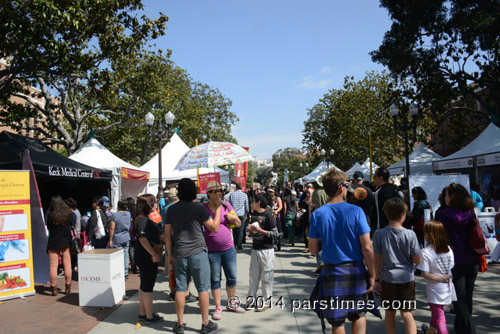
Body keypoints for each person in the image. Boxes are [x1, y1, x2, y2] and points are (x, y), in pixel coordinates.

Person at [308, 169, 379, 334]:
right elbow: (367, 247)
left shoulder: (318, 214)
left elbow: (312, 249)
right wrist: (373, 274)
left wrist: (327, 238)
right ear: (341, 187)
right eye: (347, 185)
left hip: (331, 271)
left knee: (337, 320)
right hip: (355, 270)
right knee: (359, 314)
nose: (347, 189)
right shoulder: (356, 211)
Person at [164, 178, 219, 334]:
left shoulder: (171, 210)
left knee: (180, 288)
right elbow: (214, 228)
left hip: (180, 253)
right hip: (198, 253)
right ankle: (205, 323)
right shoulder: (199, 209)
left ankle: (180, 324)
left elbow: (167, 235)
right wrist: (218, 208)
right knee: (202, 288)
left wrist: (170, 254)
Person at [435, 183, 478, 334]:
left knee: (459, 299)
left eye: (446, 195)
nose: (444, 198)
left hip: (454, 261)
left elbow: (439, 239)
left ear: (452, 196)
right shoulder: (470, 212)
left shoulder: (443, 215)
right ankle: (461, 329)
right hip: (472, 259)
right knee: (467, 297)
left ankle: (469, 330)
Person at [373, 198, 421, 334]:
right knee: (406, 313)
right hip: (407, 278)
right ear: (402, 215)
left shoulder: (379, 234)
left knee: (390, 312)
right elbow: (417, 260)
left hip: (388, 278)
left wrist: (376, 279)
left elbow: (377, 260)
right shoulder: (410, 234)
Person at [203, 181, 244, 320]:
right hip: (211, 251)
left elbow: (238, 224)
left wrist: (233, 218)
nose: (219, 193)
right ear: (208, 193)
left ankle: (231, 302)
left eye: (220, 190)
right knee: (215, 279)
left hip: (228, 249)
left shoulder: (227, 205)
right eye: (215, 191)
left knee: (232, 277)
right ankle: (218, 307)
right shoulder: (204, 208)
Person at [418, 221, 456, 334]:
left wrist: (441, 278)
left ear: (430, 235)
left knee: (440, 317)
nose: (424, 235)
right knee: (437, 313)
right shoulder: (449, 249)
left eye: (425, 233)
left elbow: (426, 274)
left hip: (435, 290)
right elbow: (452, 266)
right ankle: (430, 331)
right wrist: (445, 278)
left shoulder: (426, 252)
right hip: (447, 287)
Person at [132, 197, 163, 324]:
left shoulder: (139, 219)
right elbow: (143, 239)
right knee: (148, 287)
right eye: (153, 203)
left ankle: (143, 313)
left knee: (144, 286)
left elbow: (144, 237)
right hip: (147, 257)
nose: (154, 205)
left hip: (142, 256)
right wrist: (154, 253)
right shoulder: (143, 220)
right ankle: (149, 315)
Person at [245, 193, 278, 312]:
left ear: (258, 202)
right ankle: (251, 300)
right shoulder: (253, 215)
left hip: (267, 250)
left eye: (253, 202)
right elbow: (251, 232)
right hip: (255, 249)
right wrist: (249, 230)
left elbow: (275, 234)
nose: (251, 204)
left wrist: (261, 230)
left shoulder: (268, 215)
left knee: (267, 277)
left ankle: (266, 302)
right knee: (253, 276)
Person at [46, 195, 73, 296]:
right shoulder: (68, 213)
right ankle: (68, 286)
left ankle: (53, 288)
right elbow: (71, 225)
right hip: (65, 240)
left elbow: (48, 227)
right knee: (67, 264)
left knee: (53, 265)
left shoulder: (50, 215)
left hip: (53, 240)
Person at [371, 167, 402, 235]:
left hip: (382, 229)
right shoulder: (394, 190)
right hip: (396, 227)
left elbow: (379, 213)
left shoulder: (379, 192)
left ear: (380, 178)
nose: (373, 179)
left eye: (374, 176)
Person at [109, 199, 132, 279]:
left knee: (118, 257)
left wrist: (110, 239)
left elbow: (112, 228)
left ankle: (119, 273)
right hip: (126, 237)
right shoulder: (128, 214)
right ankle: (125, 272)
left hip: (117, 238)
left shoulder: (114, 215)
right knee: (125, 256)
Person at [228, 182, 249, 251]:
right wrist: (247, 213)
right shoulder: (244, 195)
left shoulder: (232, 195)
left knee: (234, 230)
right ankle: (239, 245)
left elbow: (229, 205)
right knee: (241, 230)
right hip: (241, 214)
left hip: (234, 214)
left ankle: (234, 244)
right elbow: (247, 206)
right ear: (241, 187)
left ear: (236, 187)